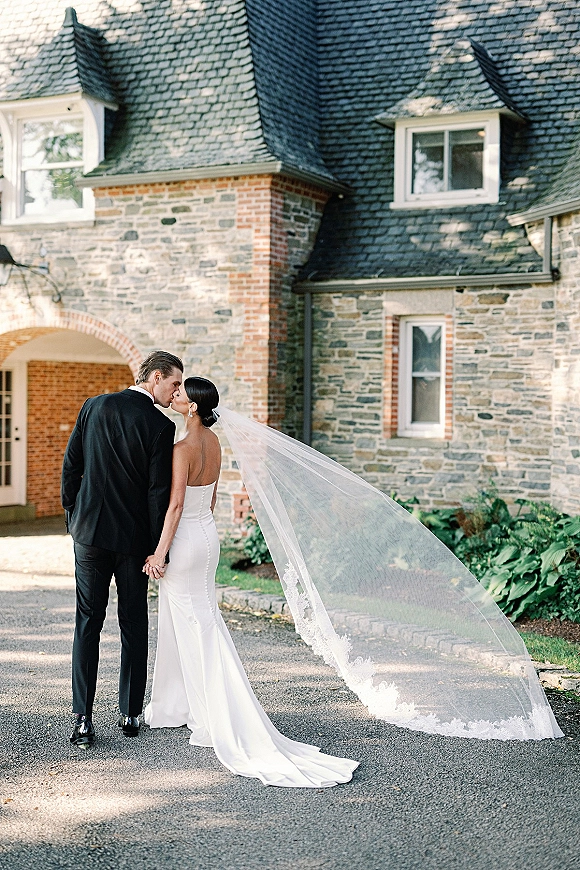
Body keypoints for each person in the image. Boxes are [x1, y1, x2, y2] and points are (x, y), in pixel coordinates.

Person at [143, 377, 359, 788]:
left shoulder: (181, 449)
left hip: (185, 541)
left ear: (192, 407)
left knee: (194, 625)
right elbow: (205, 502)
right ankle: (182, 705)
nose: (175, 395)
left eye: (181, 393)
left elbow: (174, 507)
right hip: (208, 537)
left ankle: (213, 713)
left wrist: (158, 552)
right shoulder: (213, 444)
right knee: (198, 621)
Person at [61, 350, 183, 748]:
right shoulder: (159, 425)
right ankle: (130, 712)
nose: (176, 392)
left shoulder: (94, 405)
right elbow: (156, 493)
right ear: (156, 377)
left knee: (87, 623)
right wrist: (156, 549)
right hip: (133, 543)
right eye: (174, 383)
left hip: (90, 534)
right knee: (133, 624)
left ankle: (82, 720)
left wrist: (72, 515)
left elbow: (71, 464)